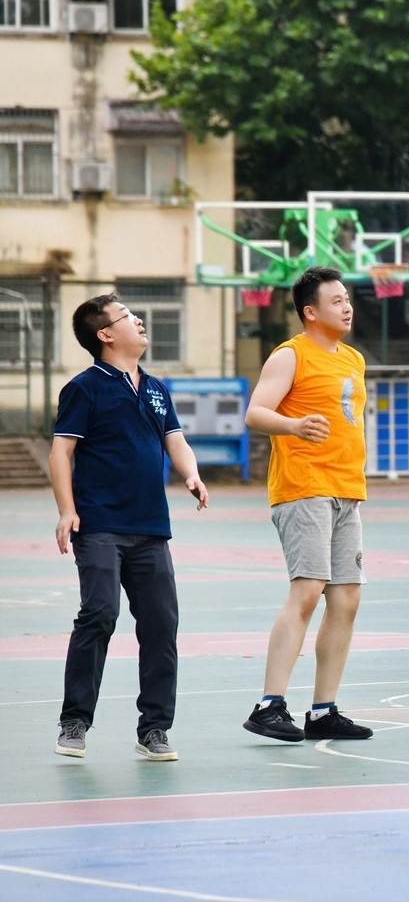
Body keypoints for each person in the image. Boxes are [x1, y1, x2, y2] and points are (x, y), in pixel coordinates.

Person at [49, 295, 208, 760]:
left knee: (161, 624)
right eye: (126, 316)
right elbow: (61, 452)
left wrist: (191, 474)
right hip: (99, 524)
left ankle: (154, 729)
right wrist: (66, 510)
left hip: (151, 527)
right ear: (105, 334)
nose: (138, 320)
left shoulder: (156, 388)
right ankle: (75, 721)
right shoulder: (85, 388)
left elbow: (175, 439)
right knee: (99, 613)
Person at [242, 267, 373, 742]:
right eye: (336, 301)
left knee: (347, 598)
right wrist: (293, 426)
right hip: (304, 488)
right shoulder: (290, 355)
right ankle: (269, 705)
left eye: (348, 299)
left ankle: (323, 711)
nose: (347, 307)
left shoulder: (353, 359)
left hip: (346, 490)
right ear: (310, 312)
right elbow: (256, 412)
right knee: (308, 591)